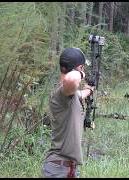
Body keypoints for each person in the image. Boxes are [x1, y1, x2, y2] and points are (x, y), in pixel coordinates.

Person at [41, 47, 94, 178]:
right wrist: (81, 74)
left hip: (67, 168)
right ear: (80, 67)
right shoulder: (62, 92)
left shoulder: (68, 95)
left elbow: (79, 94)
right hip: (58, 170)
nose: (83, 71)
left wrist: (90, 90)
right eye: (82, 68)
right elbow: (70, 80)